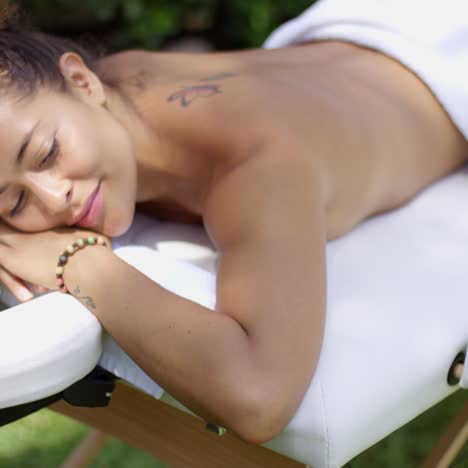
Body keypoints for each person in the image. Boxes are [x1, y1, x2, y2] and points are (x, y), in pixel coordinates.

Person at [0, 0, 466, 443]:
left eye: (47, 152)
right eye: (15, 203)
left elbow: (260, 397)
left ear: (81, 81)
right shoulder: (113, 85)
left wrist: (80, 263)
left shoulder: (259, 167)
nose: (54, 196)